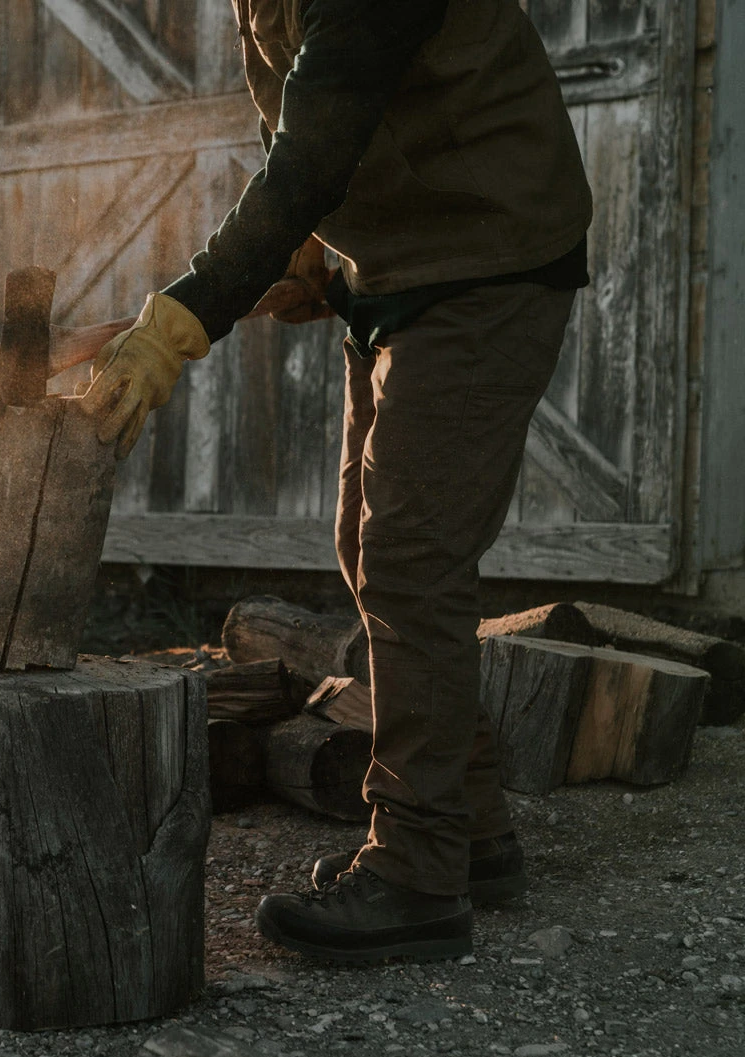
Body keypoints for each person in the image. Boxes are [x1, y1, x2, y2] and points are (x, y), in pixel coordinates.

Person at [81, 0, 592, 962]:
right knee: (369, 549)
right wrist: (314, 255)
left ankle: (415, 876)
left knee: (411, 559)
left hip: (487, 255)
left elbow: (309, 155)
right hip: (397, 266)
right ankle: (471, 830)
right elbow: (309, 113)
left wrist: (183, 319)